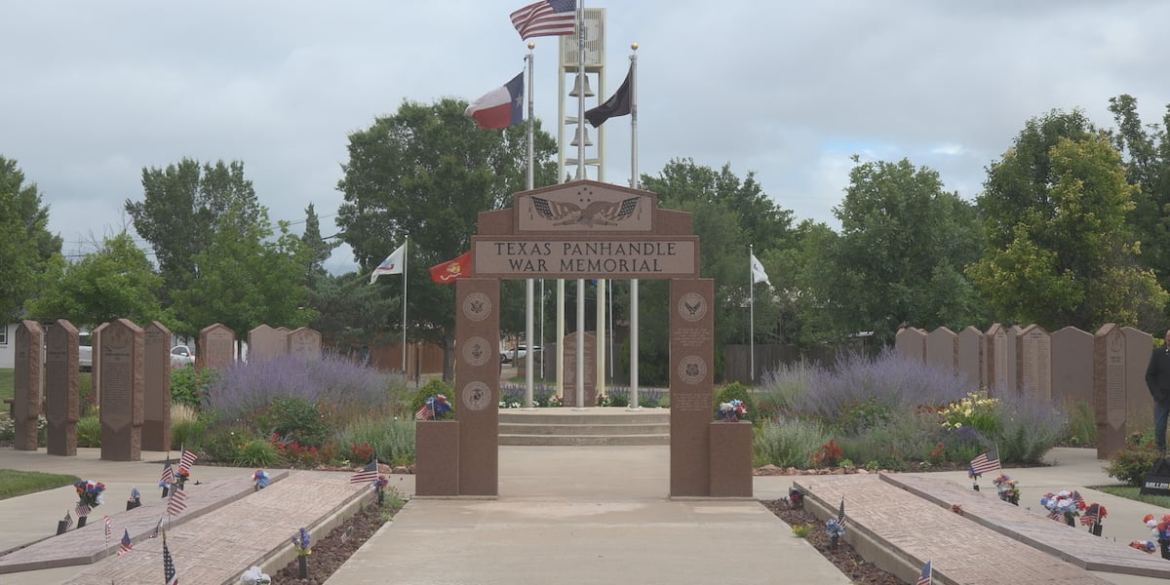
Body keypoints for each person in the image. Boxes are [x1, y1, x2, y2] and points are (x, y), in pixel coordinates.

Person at [1146, 330, 1170, 453]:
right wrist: (1157, 394)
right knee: (1160, 428)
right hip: (1163, 398)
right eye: (1168, 337)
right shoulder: (1158, 354)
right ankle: (1161, 456)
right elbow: (1149, 375)